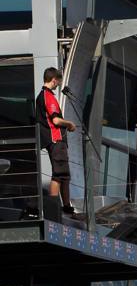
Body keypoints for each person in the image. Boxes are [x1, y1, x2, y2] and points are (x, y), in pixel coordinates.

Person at [35, 67, 77, 214]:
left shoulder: (42, 96)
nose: (58, 84)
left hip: (55, 140)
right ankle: (54, 207)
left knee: (64, 174)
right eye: (58, 82)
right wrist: (70, 124)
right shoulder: (48, 96)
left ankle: (66, 205)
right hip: (56, 139)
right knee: (59, 174)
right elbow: (56, 120)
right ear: (53, 80)